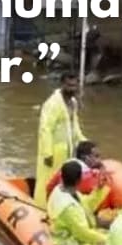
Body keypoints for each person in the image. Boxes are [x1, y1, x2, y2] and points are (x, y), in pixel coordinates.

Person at [33, 73, 85, 207]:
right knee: (48, 180)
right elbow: (45, 128)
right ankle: (41, 206)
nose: (72, 89)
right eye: (69, 85)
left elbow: (75, 125)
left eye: (74, 85)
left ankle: (60, 206)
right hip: (53, 150)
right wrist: (47, 152)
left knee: (63, 180)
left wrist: (83, 142)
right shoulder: (53, 103)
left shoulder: (73, 103)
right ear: (62, 84)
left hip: (67, 149)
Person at [48, 161, 107, 245]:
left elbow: (86, 206)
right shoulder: (68, 206)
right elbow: (83, 234)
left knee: (110, 236)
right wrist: (107, 239)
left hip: (73, 235)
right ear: (79, 180)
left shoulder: (62, 190)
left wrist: (98, 189)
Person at [42, 140, 112, 217]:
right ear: (85, 158)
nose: (100, 160)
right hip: (73, 213)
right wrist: (102, 168)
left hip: (57, 208)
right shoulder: (87, 176)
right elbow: (106, 184)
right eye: (96, 156)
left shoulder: (66, 167)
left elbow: (49, 186)